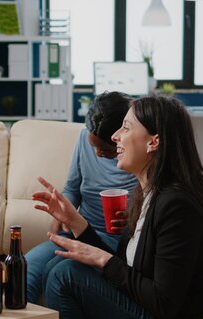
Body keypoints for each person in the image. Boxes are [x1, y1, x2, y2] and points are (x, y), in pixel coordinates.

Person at [32, 95, 203, 319]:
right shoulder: (146, 193)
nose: (115, 136)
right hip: (153, 309)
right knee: (57, 269)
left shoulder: (177, 205)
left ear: (154, 142)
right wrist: (76, 222)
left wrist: (103, 260)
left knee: (65, 275)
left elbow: (164, 303)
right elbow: (129, 266)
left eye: (125, 128)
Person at [27, 91, 138, 305]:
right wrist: (62, 212)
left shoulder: (139, 155)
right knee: (26, 268)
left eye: (105, 149)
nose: (97, 153)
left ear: (122, 136)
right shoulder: (83, 138)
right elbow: (72, 187)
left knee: (58, 270)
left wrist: (133, 216)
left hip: (117, 242)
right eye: (93, 146)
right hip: (80, 231)